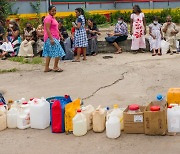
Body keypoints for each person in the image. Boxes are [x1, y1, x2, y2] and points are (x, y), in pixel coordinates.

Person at [43, 5, 65, 72]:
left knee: (49, 53)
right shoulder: (48, 18)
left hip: (55, 36)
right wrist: (51, 39)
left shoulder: (53, 18)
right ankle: (55, 66)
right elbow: (47, 29)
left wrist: (60, 35)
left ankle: (46, 67)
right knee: (58, 51)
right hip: (50, 37)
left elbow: (56, 28)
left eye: (55, 10)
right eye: (52, 11)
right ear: (49, 11)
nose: (54, 12)